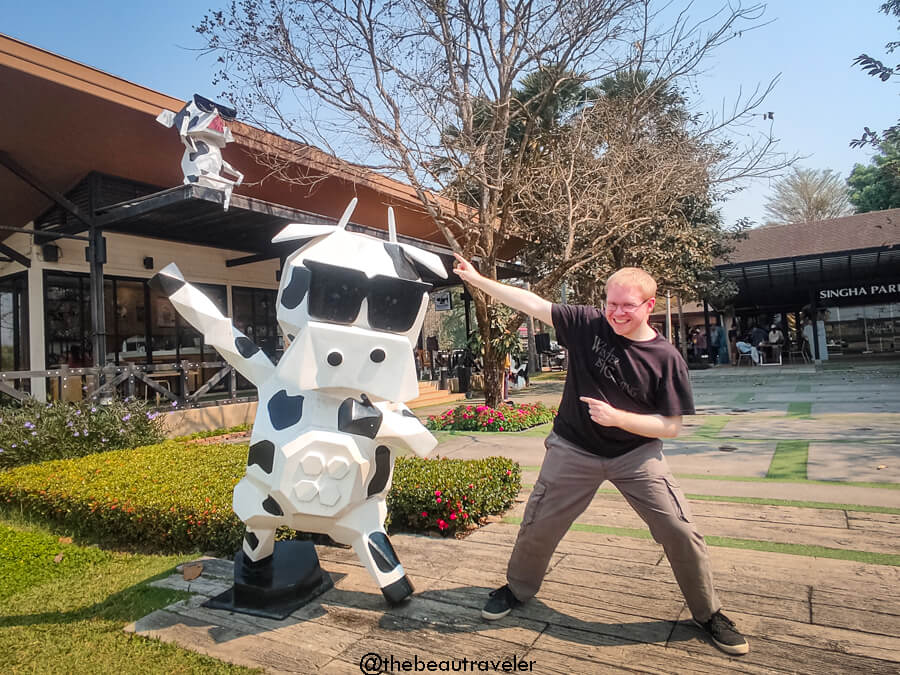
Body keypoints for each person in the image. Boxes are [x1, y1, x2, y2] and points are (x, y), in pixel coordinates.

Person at [453, 254, 749, 656]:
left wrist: (618, 418)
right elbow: (532, 304)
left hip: (637, 455)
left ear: (649, 305)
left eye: (628, 305)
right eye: (612, 303)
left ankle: (708, 612)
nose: (617, 312)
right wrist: (477, 279)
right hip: (572, 446)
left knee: (679, 529)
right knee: (538, 522)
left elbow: (671, 427)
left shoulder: (665, 358)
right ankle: (516, 590)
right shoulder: (587, 323)